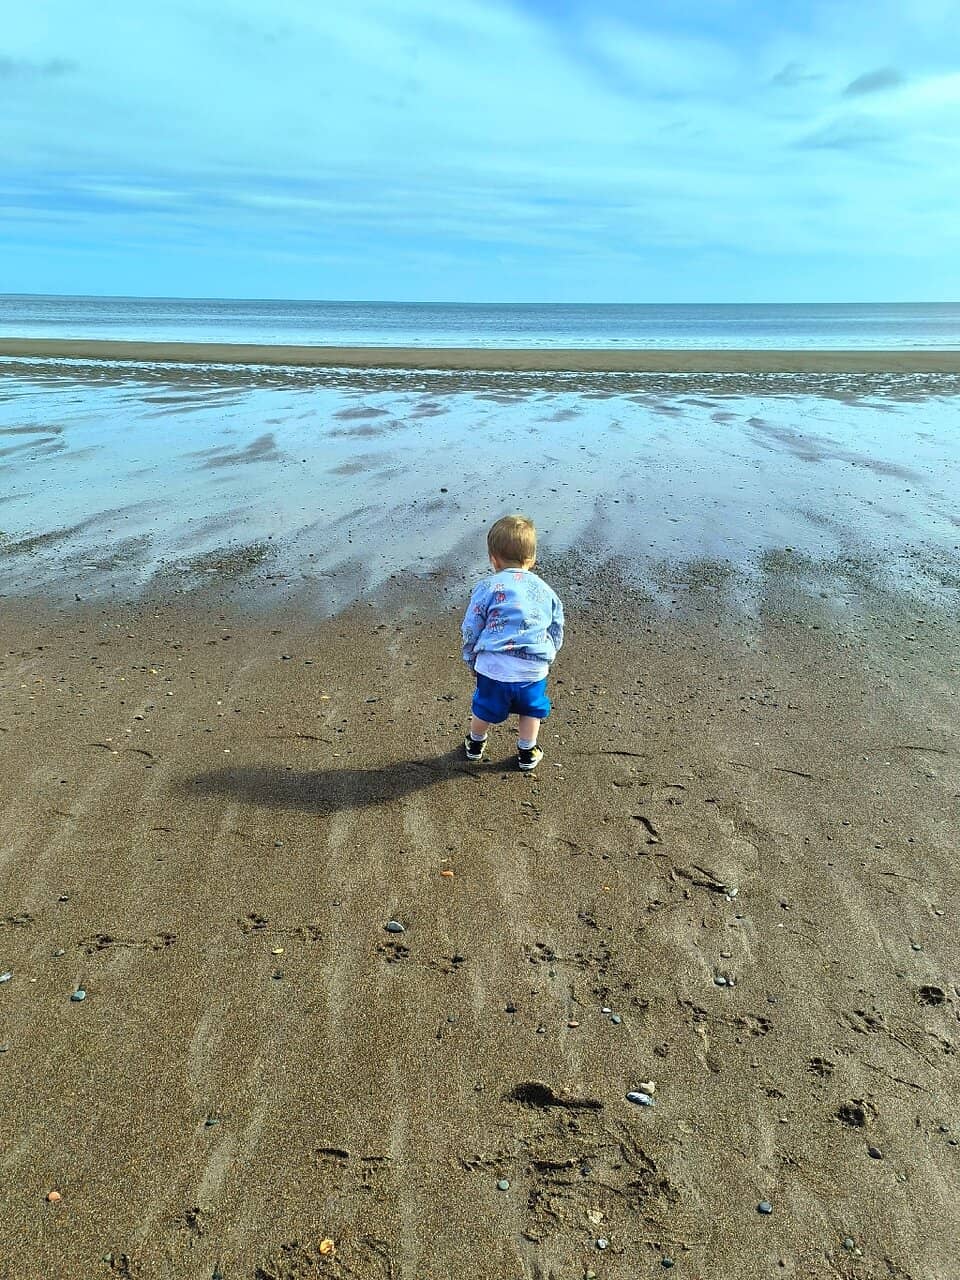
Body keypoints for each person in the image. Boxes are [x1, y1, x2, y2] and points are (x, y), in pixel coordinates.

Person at [461, 514, 564, 771]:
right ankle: (527, 751)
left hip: (494, 664)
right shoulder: (545, 590)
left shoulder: (487, 586)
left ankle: (475, 743)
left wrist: (471, 657)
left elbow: (472, 625)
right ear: (531, 559)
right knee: (531, 709)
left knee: (484, 705)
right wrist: (548, 653)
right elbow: (556, 626)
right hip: (532, 667)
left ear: (493, 559)